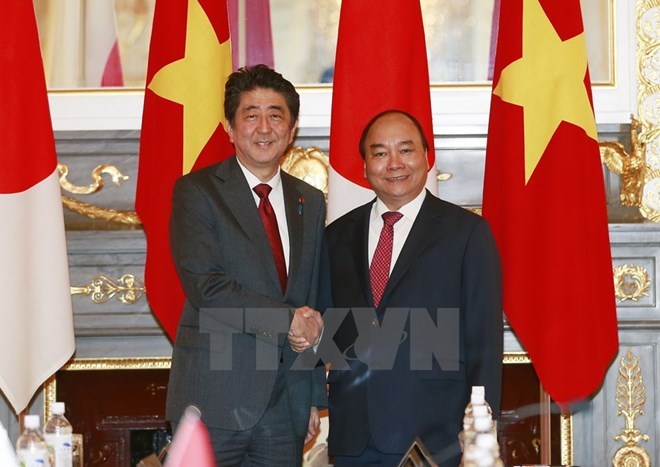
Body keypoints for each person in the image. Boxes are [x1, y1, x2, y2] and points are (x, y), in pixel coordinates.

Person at [166, 64, 327, 466]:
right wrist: (287, 321)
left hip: (284, 405)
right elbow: (207, 287)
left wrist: (311, 396)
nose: (264, 127)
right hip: (213, 398)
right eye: (251, 114)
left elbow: (309, 298)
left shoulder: (310, 199)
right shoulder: (197, 191)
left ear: (291, 131)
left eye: (276, 115)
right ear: (230, 127)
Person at [323, 110, 503, 466]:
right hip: (353, 437)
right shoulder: (335, 236)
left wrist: (481, 427)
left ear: (426, 156)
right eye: (380, 153)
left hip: (435, 436)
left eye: (405, 150)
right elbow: (324, 328)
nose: (394, 164)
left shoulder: (466, 233)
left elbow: (484, 337)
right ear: (364, 166)